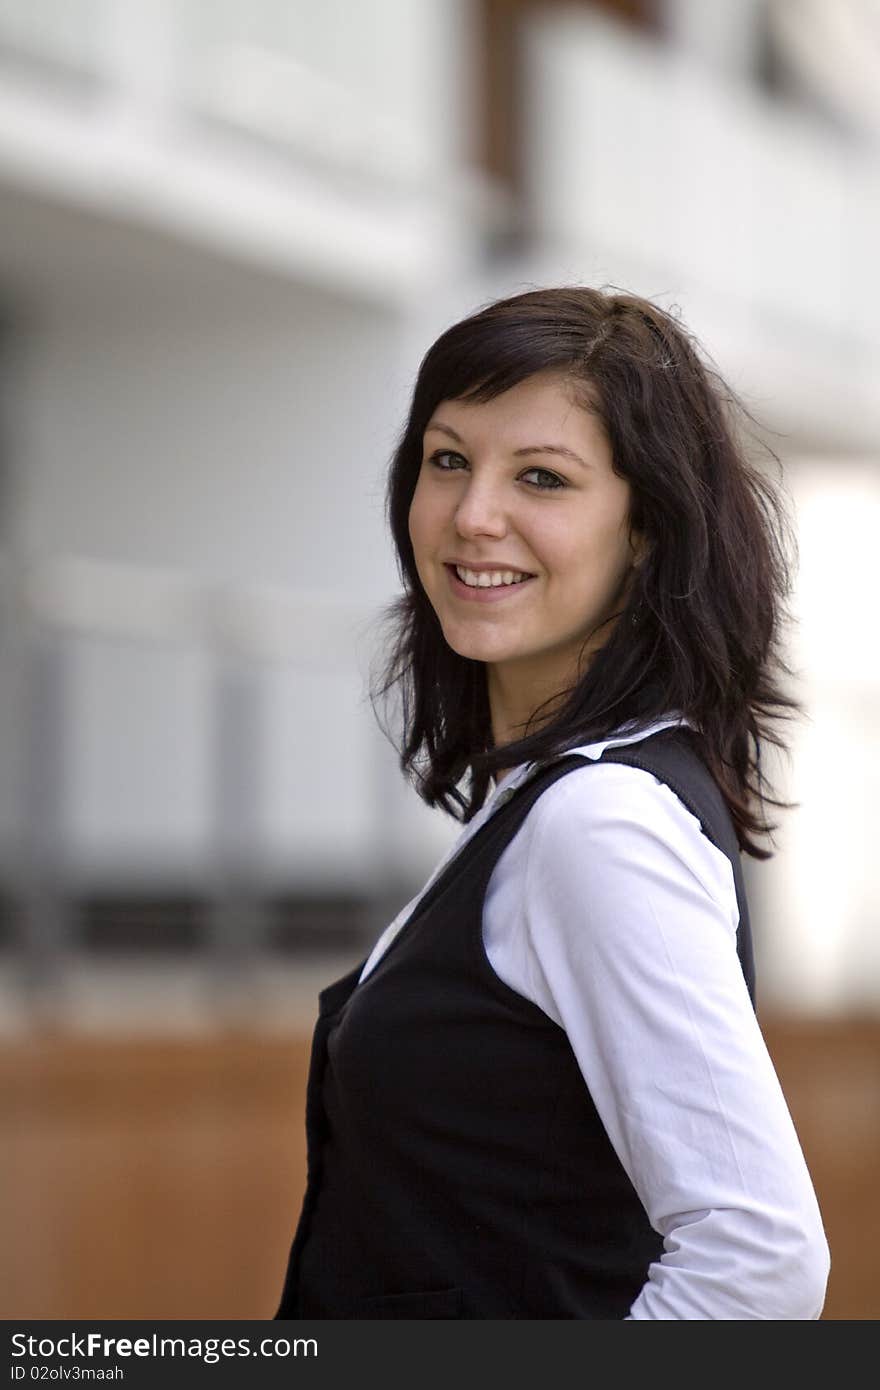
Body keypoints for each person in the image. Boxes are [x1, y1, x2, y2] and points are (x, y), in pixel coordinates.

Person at [275, 286, 830, 1320]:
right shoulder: (546, 798)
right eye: (448, 460)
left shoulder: (600, 826)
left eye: (542, 477)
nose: (473, 514)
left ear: (647, 533)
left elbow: (761, 1262)